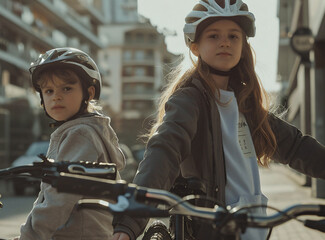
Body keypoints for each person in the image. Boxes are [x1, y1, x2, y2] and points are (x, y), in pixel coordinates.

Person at [112, 0, 325, 239]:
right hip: (211, 230)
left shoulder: (245, 102)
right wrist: (129, 222)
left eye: (233, 36)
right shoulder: (189, 100)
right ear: (195, 46)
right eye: (213, 36)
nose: (225, 42)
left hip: (251, 230)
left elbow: (295, 146)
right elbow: (164, 152)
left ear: (243, 45)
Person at [19, 47, 126, 240]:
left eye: (66, 88)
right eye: (49, 91)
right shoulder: (87, 130)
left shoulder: (80, 134)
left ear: (89, 93)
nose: (56, 96)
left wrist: (31, 235)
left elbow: (60, 196)